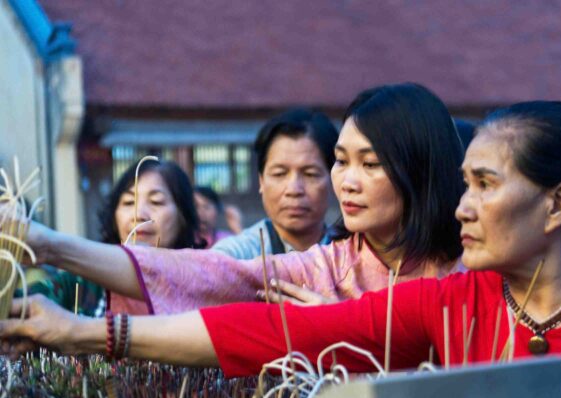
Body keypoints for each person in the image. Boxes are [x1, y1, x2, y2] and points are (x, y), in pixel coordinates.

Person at [2, 101, 561, 398]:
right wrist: (81, 329)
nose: (463, 206)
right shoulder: (450, 304)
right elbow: (265, 326)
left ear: (558, 204)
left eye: (485, 185)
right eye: (463, 183)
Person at [17, 83, 465, 314]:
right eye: (342, 162)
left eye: (369, 164)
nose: (347, 181)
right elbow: (201, 275)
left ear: (421, 170)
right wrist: (47, 244)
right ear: (259, 181)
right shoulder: (317, 267)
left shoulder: (475, 269)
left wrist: (346, 325)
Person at [21, 160, 204, 316]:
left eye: (156, 202)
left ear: (184, 216)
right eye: (128, 202)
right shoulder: (81, 284)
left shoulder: (200, 288)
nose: (138, 215)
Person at [211, 108, 337, 259]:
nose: (293, 190)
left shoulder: (352, 255)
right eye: (279, 174)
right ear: (261, 181)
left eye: (310, 174)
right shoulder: (237, 256)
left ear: (333, 180)